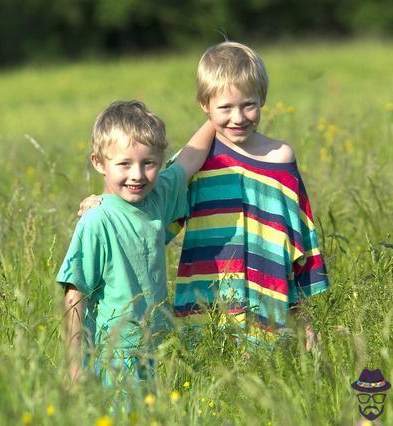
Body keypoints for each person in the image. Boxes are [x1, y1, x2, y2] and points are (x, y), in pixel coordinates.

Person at [79, 41, 329, 349]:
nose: (238, 118)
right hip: (206, 314)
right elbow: (143, 203)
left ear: (263, 98)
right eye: (225, 107)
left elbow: (299, 246)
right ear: (205, 105)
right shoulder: (198, 162)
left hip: (271, 308)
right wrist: (101, 203)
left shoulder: (280, 158)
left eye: (248, 104)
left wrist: (307, 323)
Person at [57, 100, 214, 385]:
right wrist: (74, 366)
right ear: (98, 163)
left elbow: (190, 158)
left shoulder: (158, 196)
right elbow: (75, 294)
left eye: (148, 163)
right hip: (115, 355)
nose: (137, 175)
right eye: (124, 164)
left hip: (162, 348)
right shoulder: (96, 220)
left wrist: (220, 115)